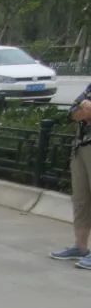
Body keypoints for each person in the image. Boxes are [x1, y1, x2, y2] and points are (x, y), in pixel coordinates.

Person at [49, 83, 91, 269]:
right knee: (80, 199)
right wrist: (83, 112)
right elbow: (73, 112)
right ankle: (80, 246)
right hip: (81, 147)